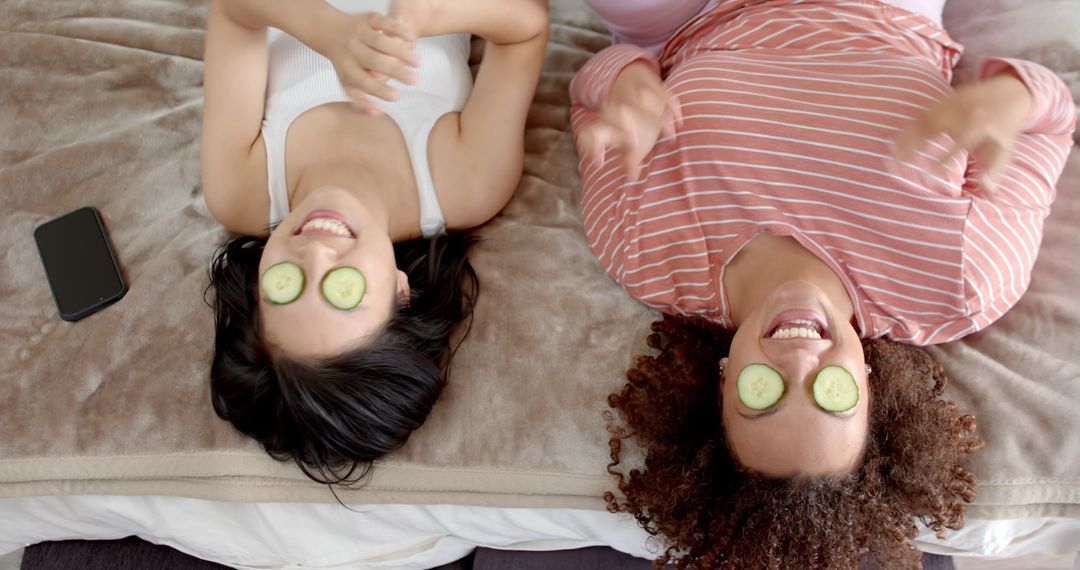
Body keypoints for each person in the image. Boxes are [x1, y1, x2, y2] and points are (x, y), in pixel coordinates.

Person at [570, 0, 1074, 566]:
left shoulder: (642, 250)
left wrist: (628, 79)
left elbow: (595, 81)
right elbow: (1056, 114)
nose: (800, 360)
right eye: (831, 395)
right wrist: (1010, 101)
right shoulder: (962, 282)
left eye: (763, 393)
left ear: (721, 384)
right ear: (869, 384)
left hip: (697, 17)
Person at [200, 0, 547, 484]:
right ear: (401, 295)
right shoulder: (465, 185)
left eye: (286, 284)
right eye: (343, 288)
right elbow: (525, 29)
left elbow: (234, 11)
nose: (317, 254)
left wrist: (329, 30)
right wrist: (428, 18)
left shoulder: (239, 189)